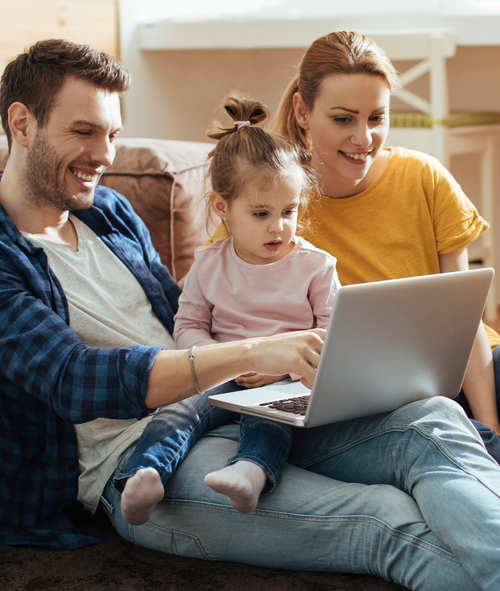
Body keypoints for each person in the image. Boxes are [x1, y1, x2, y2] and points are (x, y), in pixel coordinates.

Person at [2, 39, 500, 591]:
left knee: (433, 420)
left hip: (244, 407)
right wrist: (255, 351)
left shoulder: (108, 214)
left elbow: (178, 312)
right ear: (22, 124)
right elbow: (72, 379)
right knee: (385, 517)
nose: (105, 154)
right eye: (84, 131)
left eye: (112, 134)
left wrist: (272, 356)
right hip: (138, 460)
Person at [209, 31, 500, 462]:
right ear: (303, 112)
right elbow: (217, 305)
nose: (364, 138)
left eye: (377, 118)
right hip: (359, 392)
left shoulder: (423, 177)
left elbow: (465, 317)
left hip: (460, 364)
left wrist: (491, 426)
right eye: (344, 119)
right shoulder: (271, 204)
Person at [116, 96, 340, 524]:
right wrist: (220, 361)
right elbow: (189, 324)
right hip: (216, 375)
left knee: (271, 418)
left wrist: (283, 371)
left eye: (289, 211)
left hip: (282, 384)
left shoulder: (316, 266)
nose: (278, 226)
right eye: (261, 213)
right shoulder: (209, 262)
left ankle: (250, 472)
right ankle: (144, 475)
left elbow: (334, 335)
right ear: (223, 207)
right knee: (176, 412)